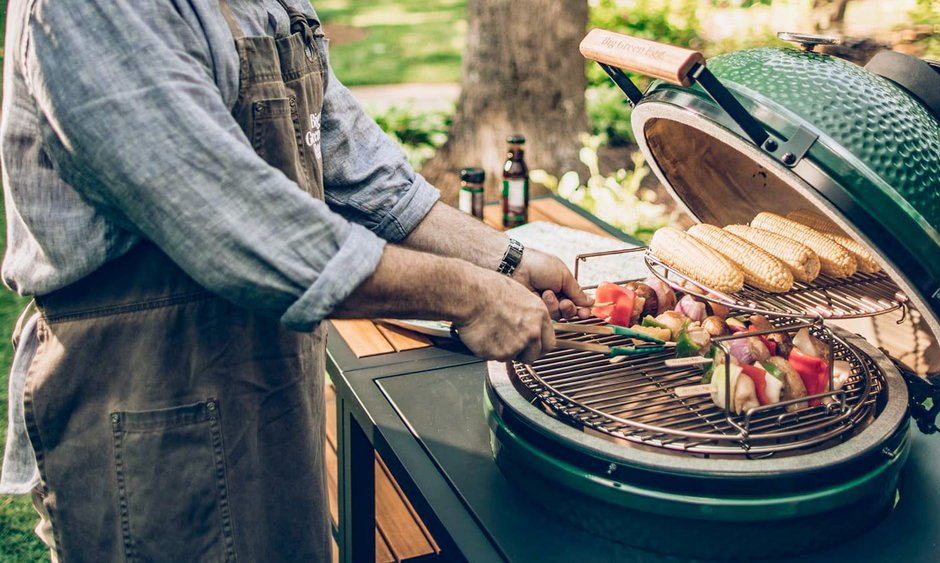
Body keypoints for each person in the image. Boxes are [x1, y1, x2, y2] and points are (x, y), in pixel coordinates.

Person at [0, 0, 592, 560]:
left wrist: (508, 259)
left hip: (269, 386)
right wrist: (468, 294)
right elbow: (242, 229)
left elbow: (367, 176)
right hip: (150, 405)